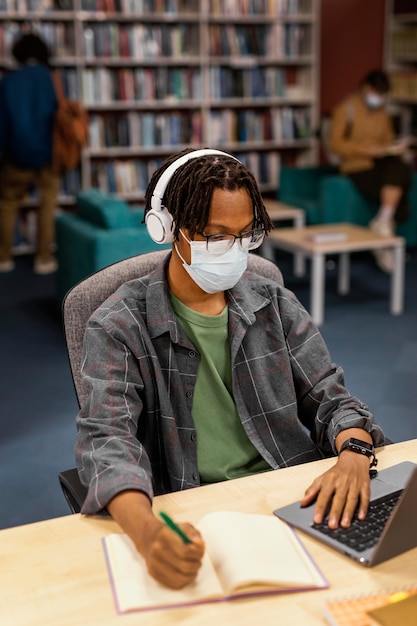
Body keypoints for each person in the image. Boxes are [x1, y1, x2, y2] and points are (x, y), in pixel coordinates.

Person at [75, 148, 386, 590]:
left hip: (295, 496)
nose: (233, 252)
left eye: (244, 235)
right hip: (193, 510)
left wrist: (355, 454)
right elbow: (108, 439)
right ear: (165, 229)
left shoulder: (274, 303)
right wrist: (146, 533)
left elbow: (330, 397)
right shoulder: (118, 325)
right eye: (216, 236)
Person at [329, 69, 412, 272]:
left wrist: (394, 148)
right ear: (366, 88)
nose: (378, 98)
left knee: (401, 166)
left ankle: (383, 220)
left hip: (380, 162)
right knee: (399, 192)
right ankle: (385, 229)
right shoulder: (346, 108)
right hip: (356, 165)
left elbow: (387, 140)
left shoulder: (383, 113)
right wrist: (364, 150)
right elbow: (335, 144)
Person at [0, 32, 59, 274]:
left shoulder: (8, 81)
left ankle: (4, 257)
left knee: (8, 202)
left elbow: (2, 124)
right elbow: (56, 117)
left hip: (16, 154)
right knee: (47, 202)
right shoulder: (49, 78)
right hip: (47, 152)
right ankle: (43, 258)